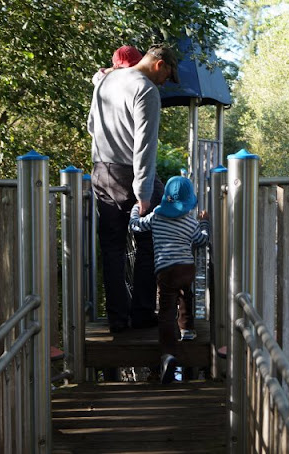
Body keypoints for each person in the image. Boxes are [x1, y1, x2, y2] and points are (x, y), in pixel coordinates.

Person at [88, 44, 180, 334]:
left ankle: (117, 319)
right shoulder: (147, 91)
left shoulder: (106, 80)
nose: (166, 82)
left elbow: (92, 125)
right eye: (169, 74)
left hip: (103, 171)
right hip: (133, 173)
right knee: (150, 241)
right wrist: (142, 193)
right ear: (159, 64)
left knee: (112, 247)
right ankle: (141, 312)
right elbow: (145, 147)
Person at [129, 176, 210, 384]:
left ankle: (168, 351)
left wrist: (135, 210)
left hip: (165, 269)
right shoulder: (190, 221)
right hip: (187, 268)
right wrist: (204, 223)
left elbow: (135, 227)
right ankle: (187, 330)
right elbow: (201, 240)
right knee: (186, 295)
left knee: (166, 310)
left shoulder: (156, 216)